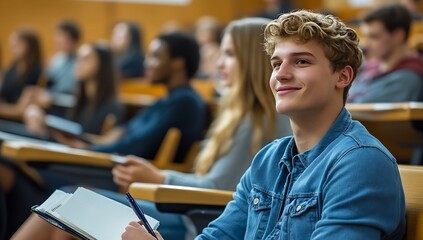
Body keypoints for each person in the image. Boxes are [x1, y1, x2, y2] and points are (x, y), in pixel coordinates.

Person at [122, 9, 406, 239]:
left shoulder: (360, 162)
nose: (281, 75)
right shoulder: (268, 159)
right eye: (275, 63)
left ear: (342, 77)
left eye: (302, 62)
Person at [12, 17, 292, 240]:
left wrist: (160, 177)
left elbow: (217, 189)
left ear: (252, 62)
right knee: (64, 210)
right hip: (183, 209)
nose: (219, 63)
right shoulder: (238, 114)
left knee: (71, 202)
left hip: (194, 222)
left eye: (229, 54)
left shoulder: (256, 121)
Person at [23, 42, 123, 140]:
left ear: (102, 64)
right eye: (78, 58)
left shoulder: (112, 106)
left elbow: (103, 143)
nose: (77, 63)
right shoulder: (81, 99)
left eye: (85, 59)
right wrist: (41, 118)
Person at [348, 4, 423, 103]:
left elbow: (361, 107)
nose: (366, 45)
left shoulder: (409, 77)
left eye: (374, 37)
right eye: (367, 37)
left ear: (398, 35)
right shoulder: (367, 67)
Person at [0, 28, 42, 119]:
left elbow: (21, 110)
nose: (12, 48)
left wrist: (3, 109)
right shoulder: (12, 67)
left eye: (17, 44)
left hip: (19, 120)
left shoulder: (37, 72)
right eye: (12, 45)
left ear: (29, 46)